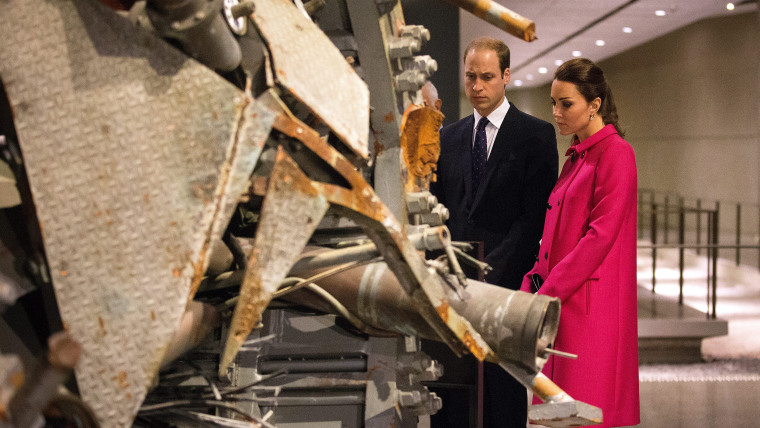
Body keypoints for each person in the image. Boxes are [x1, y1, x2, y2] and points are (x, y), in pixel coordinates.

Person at [431, 37, 558, 428]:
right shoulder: (448, 137)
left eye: (487, 77)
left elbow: (532, 218)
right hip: (451, 286)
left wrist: (491, 271)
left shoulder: (535, 135)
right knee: (452, 393)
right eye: (470, 77)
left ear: (506, 76)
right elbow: (437, 211)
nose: (477, 86)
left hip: (505, 287)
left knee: (501, 391)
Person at [520, 58, 640, 427]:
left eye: (565, 104)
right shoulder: (577, 155)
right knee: (561, 415)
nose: (556, 112)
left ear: (595, 104)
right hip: (565, 305)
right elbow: (555, 235)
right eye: (553, 103)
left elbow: (598, 238)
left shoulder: (616, 153)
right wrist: (532, 282)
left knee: (583, 414)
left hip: (590, 313)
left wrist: (547, 292)